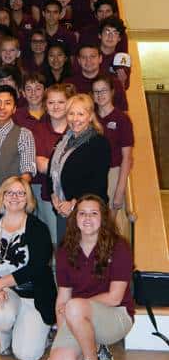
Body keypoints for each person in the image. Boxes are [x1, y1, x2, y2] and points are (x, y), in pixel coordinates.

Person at [49, 194, 134, 360]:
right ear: (75, 218)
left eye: (93, 213)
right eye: (82, 214)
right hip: (77, 314)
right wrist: (63, 333)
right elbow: (62, 298)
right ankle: (94, 345)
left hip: (116, 315)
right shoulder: (64, 250)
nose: (87, 218)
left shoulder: (119, 247)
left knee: (75, 306)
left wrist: (76, 307)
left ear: (103, 218)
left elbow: (114, 298)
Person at [0, 176, 56, 360]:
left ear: (28, 199)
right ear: (2, 197)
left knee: (28, 356)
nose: (15, 197)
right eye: (9, 192)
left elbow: (36, 268)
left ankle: (36, 332)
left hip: (33, 295)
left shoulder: (39, 228)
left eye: (21, 193)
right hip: (2, 292)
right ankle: (7, 333)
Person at [48, 94, 111, 243]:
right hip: (63, 211)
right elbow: (53, 171)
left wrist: (74, 203)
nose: (75, 119)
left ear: (90, 117)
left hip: (86, 212)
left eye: (80, 114)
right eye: (71, 113)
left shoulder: (99, 143)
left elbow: (97, 183)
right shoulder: (64, 140)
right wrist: (54, 196)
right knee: (66, 256)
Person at [0, 86, 36, 218]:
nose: (2, 107)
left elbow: (26, 175)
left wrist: (1, 203)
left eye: (7, 103)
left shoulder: (24, 134)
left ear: (14, 109)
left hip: (14, 204)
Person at [34, 84, 74, 245]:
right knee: (53, 241)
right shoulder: (38, 129)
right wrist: (69, 164)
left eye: (61, 102)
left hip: (76, 196)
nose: (56, 106)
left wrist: (53, 164)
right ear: (45, 105)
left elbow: (83, 165)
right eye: (51, 103)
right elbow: (41, 166)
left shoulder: (77, 128)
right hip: (48, 196)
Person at [92, 75, 134, 219]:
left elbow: (127, 158)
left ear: (112, 92)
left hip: (113, 174)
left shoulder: (122, 119)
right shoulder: (89, 118)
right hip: (92, 174)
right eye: (96, 92)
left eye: (103, 91)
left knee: (111, 226)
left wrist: (119, 192)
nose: (100, 95)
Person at [65, 44, 128, 111]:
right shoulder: (68, 83)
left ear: (100, 59)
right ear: (79, 60)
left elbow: (123, 112)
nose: (88, 60)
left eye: (92, 56)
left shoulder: (115, 83)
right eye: (84, 57)